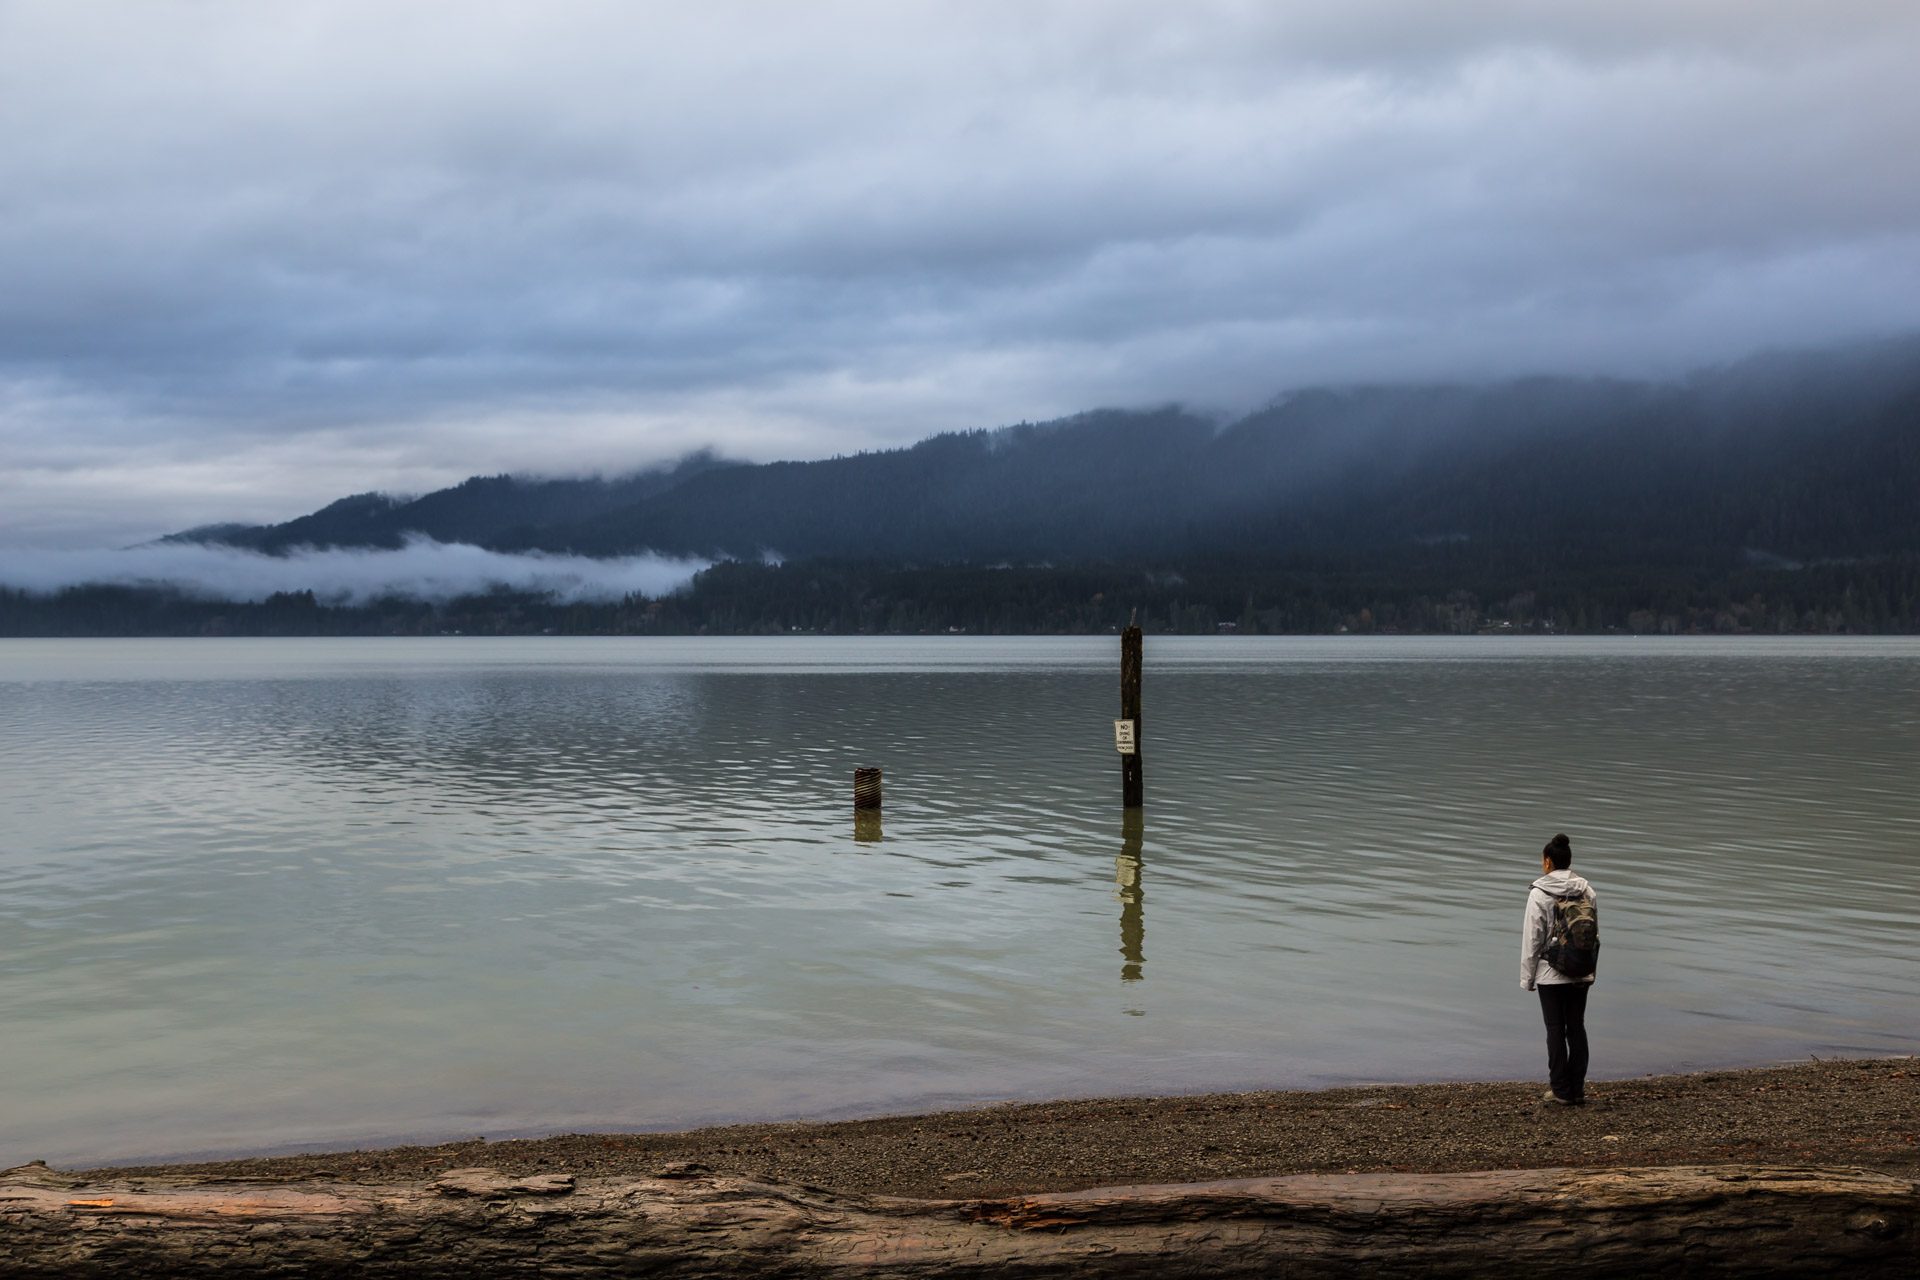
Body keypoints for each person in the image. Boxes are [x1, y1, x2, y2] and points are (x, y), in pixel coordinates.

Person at [1521, 833, 1596, 1105]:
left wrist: (1527, 978)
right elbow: (1592, 934)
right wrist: (1590, 970)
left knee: (1555, 1028)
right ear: (1570, 861)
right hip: (1581, 970)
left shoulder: (1539, 894)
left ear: (1548, 862)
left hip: (1550, 973)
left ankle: (1560, 1090)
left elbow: (1532, 939)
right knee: (1576, 1027)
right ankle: (1576, 1089)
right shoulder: (1587, 890)